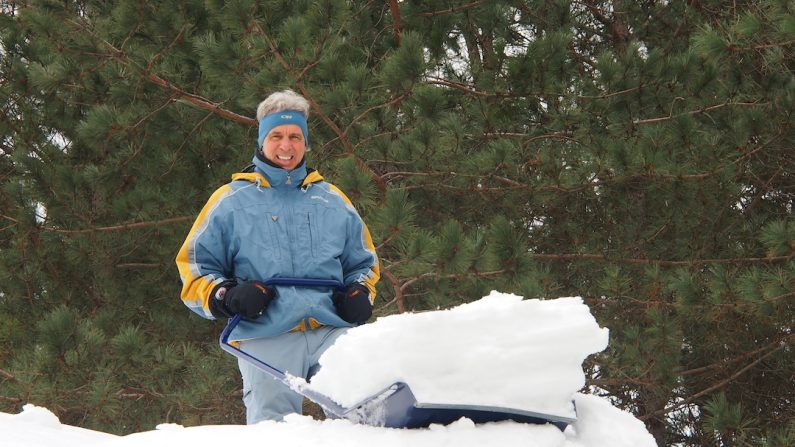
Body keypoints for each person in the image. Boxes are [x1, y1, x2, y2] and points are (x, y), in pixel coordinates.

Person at [175, 89, 380, 424]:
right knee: (275, 427)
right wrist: (227, 296)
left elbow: (363, 263)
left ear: (306, 143)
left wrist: (359, 293)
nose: (287, 146)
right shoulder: (231, 201)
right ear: (262, 139)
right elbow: (195, 268)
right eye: (277, 136)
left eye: (295, 137)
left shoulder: (331, 200)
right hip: (266, 330)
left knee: (366, 406)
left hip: (330, 326)